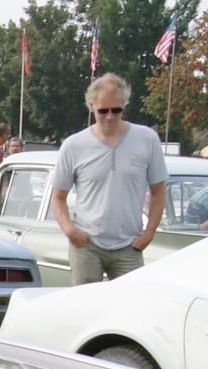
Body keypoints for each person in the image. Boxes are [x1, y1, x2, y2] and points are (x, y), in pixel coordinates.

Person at [50, 72, 166, 285]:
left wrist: (149, 233)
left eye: (116, 110)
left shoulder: (147, 139)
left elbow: (158, 191)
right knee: (85, 307)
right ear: (92, 106)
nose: (110, 116)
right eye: (103, 111)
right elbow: (57, 196)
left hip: (129, 244)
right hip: (87, 244)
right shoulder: (74, 145)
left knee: (129, 308)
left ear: (124, 105)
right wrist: (70, 230)